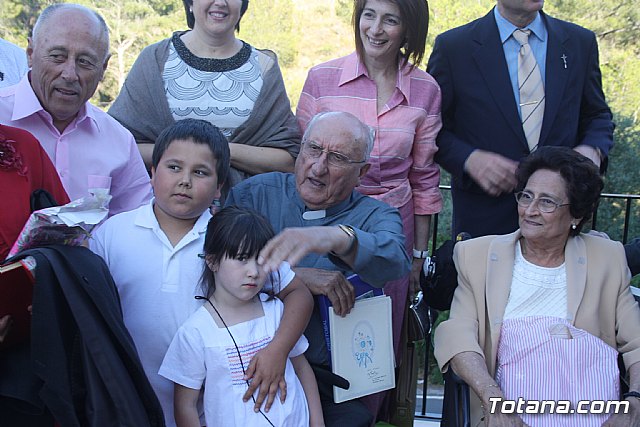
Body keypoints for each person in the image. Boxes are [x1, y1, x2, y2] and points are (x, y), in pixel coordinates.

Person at [90, 119, 313, 427]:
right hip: (131, 401)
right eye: (174, 167)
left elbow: (297, 293)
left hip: (215, 410)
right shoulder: (111, 235)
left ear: (220, 186)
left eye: (200, 172)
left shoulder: (232, 240)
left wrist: (278, 350)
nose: (185, 181)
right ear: (151, 173)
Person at [226, 111, 411, 426]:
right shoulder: (254, 194)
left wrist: (336, 237)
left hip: (327, 385)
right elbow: (216, 266)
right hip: (245, 369)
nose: (319, 166)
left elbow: (395, 259)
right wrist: (292, 278)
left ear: (362, 172)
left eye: (337, 158)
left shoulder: (376, 215)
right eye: (313, 149)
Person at [434, 147, 640, 427]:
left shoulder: (607, 258)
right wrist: (493, 399)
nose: (530, 211)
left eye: (547, 203)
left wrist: (634, 401)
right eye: (526, 197)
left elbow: (636, 343)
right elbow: (456, 335)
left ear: (576, 215)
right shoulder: (477, 255)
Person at [296, 0, 442, 371]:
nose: (375, 29)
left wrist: (417, 257)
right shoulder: (322, 78)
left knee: (376, 335)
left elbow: (424, 178)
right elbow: (300, 159)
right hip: (327, 221)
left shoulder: (426, 89)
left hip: (391, 229)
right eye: (369, 15)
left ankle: (368, 415)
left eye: (390, 20)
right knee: (313, 323)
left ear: (408, 28)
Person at [427, 0, 614, 238]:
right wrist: (468, 159)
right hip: (485, 221)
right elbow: (431, 129)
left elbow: (597, 114)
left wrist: (592, 150)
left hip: (559, 221)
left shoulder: (579, 42)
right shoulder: (454, 47)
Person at [159, 206, 324, 427]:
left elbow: (302, 369)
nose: (254, 272)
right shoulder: (196, 333)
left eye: (262, 261)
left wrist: (318, 423)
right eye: (241, 258)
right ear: (212, 260)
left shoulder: (276, 312)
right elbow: (185, 405)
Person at [108, 0, 300, 188]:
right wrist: (192, 156)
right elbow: (117, 144)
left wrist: (218, 152)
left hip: (242, 210)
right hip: (163, 208)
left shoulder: (264, 67)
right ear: (190, 3)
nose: (220, 3)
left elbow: (288, 160)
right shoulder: (156, 59)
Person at [0, 3, 152, 216]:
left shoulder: (118, 141)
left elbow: (138, 222)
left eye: (85, 61)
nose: (69, 74)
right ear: (30, 53)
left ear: (104, 68)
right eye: (57, 56)